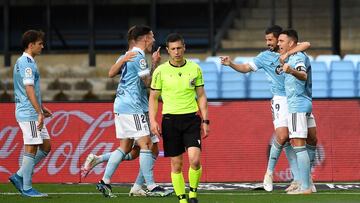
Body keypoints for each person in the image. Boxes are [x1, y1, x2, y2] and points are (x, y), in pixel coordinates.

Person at [220, 25, 317, 192]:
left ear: (282, 40)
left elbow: (306, 44)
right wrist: (231, 64)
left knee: (310, 138)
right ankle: (271, 173)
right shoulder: (264, 57)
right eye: (267, 40)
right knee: (284, 135)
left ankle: (302, 179)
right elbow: (245, 68)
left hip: (296, 97)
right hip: (281, 98)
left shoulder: (292, 52)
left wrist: (287, 53)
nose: (268, 43)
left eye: (271, 39)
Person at [82, 26, 172, 197]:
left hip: (124, 104)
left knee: (132, 148)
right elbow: (148, 83)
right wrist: (155, 65)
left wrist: (130, 61)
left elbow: (110, 73)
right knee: (145, 144)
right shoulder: (139, 57)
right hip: (133, 106)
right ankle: (151, 186)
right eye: (152, 36)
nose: (154, 39)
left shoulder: (126, 55)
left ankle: (112, 181)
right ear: (145, 38)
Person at [149, 33, 209, 203]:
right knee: (177, 165)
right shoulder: (160, 71)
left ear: (184, 48)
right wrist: (153, 120)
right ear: (168, 50)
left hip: (191, 119)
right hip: (170, 121)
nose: (176, 52)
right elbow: (153, 98)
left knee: (195, 160)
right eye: (173, 49)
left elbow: (202, 95)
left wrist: (205, 120)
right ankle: (182, 200)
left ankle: (193, 194)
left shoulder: (194, 68)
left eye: (179, 48)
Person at [9, 30, 52, 197]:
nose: (42, 46)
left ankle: (19, 175)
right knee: (32, 146)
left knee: (46, 146)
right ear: (31, 44)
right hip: (28, 113)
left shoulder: (27, 61)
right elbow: (28, 88)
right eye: (40, 43)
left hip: (32, 111)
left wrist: (41, 108)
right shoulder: (26, 62)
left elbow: (29, 89)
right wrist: (38, 112)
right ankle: (26, 187)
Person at [278, 29, 317, 194]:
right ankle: (309, 182)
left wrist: (290, 70)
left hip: (297, 105)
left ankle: (305, 186)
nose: (279, 44)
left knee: (299, 145)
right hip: (306, 104)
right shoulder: (296, 54)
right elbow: (305, 44)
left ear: (291, 43)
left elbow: (302, 75)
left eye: (281, 41)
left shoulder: (297, 58)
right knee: (311, 141)